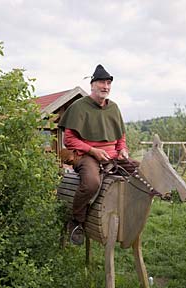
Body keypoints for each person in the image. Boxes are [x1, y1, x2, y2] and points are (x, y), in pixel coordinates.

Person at [58, 64, 154, 245]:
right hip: (86, 156)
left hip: (114, 156)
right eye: (102, 82)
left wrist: (123, 150)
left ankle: (130, 217)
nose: (106, 86)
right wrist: (93, 150)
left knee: (142, 172)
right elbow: (69, 140)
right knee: (92, 183)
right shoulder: (79, 107)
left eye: (108, 83)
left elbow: (121, 137)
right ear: (92, 85)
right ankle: (76, 222)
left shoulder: (114, 108)